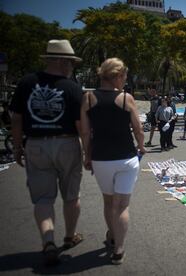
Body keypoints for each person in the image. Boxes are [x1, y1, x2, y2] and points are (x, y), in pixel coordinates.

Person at [10, 40, 84, 265]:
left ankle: (48, 241)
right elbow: (81, 124)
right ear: (62, 62)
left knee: (42, 198)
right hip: (67, 143)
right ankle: (70, 237)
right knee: (71, 195)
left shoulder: (26, 83)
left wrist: (17, 146)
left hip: (36, 143)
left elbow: (16, 118)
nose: (71, 66)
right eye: (70, 62)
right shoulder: (72, 87)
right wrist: (88, 150)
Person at [80, 58, 146, 264]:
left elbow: (84, 132)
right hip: (126, 158)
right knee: (122, 206)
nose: (125, 80)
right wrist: (142, 146)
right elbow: (138, 129)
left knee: (109, 202)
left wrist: (87, 155)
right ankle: (118, 248)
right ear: (117, 75)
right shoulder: (127, 98)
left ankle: (111, 234)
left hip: (101, 159)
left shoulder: (88, 98)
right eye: (125, 76)